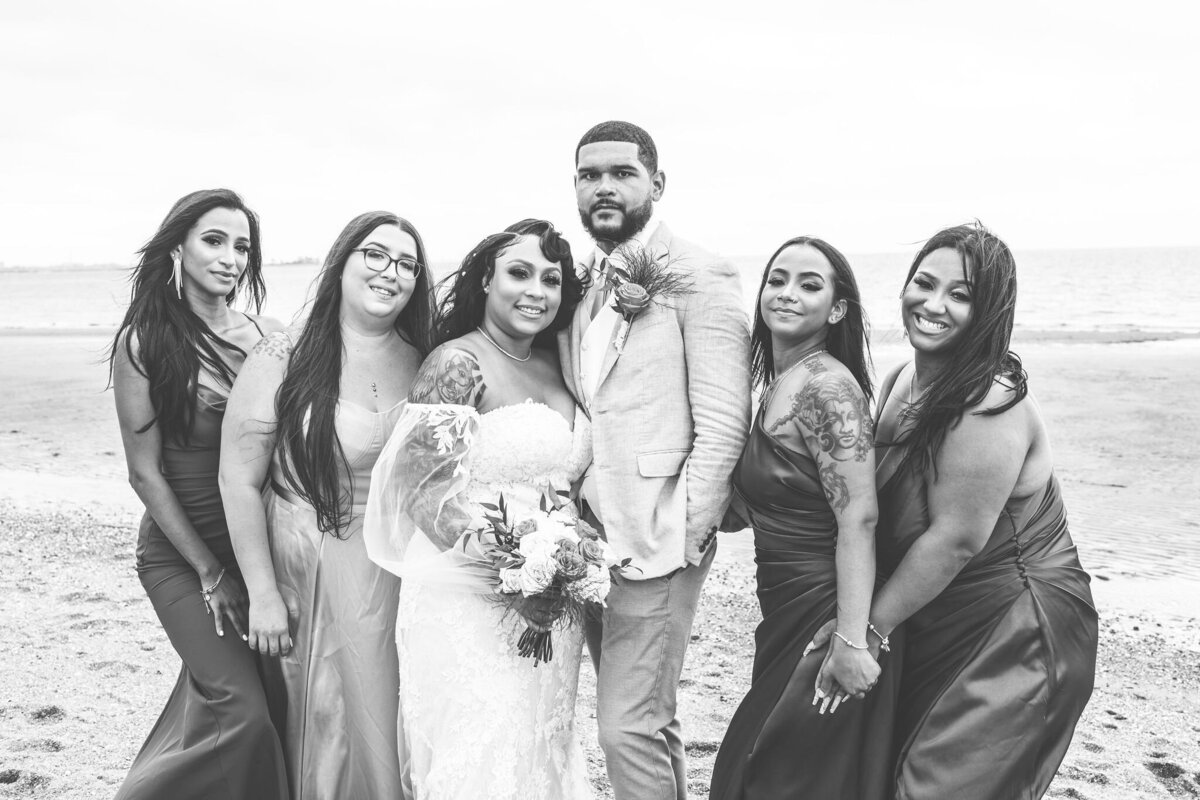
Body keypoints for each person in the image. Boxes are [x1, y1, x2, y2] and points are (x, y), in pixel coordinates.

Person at [813, 222, 1098, 798]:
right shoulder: (899, 380)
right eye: (924, 282)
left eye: (961, 295)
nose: (933, 304)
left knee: (938, 783)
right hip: (933, 614)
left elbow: (956, 540)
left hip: (1012, 624)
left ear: (990, 311)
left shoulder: (988, 400)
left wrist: (863, 634)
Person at [363, 219, 593, 799]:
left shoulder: (560, 366)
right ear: (486, 280)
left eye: (551, 279)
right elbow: (423, 492)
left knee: (542, 745)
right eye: (519, 273)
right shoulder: (456, 364)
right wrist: (513, 568)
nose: (535, 291)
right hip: (467, 598)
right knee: (479, 749)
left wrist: (564, 564)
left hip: (549, 596)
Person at [559, 120, 751, 800]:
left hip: (659, 535)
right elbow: (594, 406)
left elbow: (725, 422)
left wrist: (684, 531)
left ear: (657, 184)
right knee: (645, 720)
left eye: (621, 173)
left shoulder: (701, 275)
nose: (603, 187)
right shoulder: (584, 284)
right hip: (590, 537)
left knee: (623, 729)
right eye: (589, 175)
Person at [219, 211, 434, 799]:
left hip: (393, 565)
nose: (392, 272)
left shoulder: (426, 358)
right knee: (326, 716)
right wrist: (261, 591)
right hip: (306, 561)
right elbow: (238, 478)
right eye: (376, 254)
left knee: (390, 712)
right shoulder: (284, 354)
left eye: (408, 264)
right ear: (341, 262)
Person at [109, 188, 288, 799]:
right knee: (241, 713)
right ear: (178, 248)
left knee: (234, 701)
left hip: (259, 548)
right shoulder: (144, 342)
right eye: (214, 241)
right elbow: (144, 473)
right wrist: (211, 572)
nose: (230, 257)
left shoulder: (270, 335)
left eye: (242, 246)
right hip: (183, 557)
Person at [708, 237, 897, 799]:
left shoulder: (827, 388)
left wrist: (852, 638)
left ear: (837, 309)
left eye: (809, 284)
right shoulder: (777, 385)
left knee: (769, 769)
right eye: (777, 279)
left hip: (824, 605)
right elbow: (748, 509)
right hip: (780, 601)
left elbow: (859, 519)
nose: (787, 294)